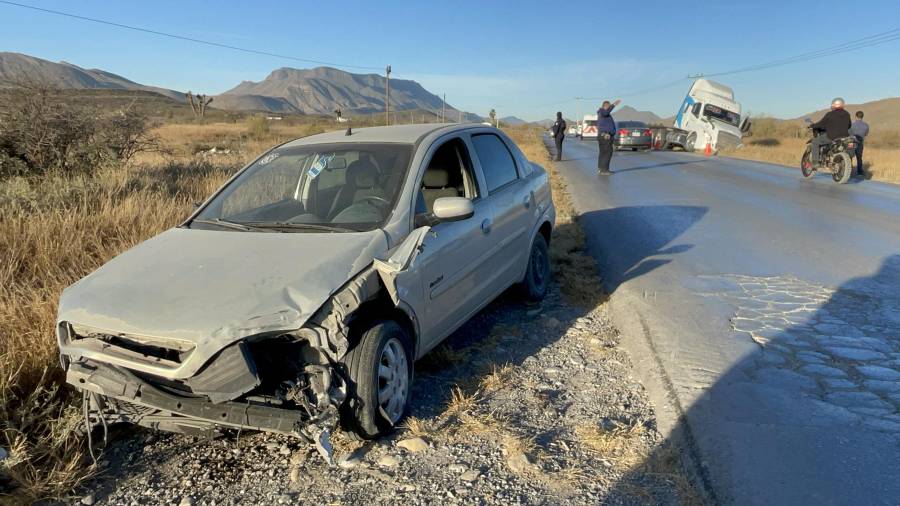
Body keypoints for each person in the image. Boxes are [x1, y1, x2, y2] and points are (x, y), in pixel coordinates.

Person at [808, 97, 851, 166]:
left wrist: (812, 126)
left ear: (834, 105)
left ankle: (815, 162)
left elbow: (820, 123)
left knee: (815, 142)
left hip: (832, 137)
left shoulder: (830, 114)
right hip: (844, 137)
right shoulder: (847, 114)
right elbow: (849, 125)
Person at [597, 99, 621, 175]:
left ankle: (601, 169)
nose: (609, 107)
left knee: (603, 153)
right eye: (608, 106)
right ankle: (604, 170)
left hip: (604, 136)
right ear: (605, 106)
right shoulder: (603, 112)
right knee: (608, 152)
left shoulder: (603, 113)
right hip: (605, 136)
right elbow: (606, 112)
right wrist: (614, 105)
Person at [849, 110, 869, 176]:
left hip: (852, 142)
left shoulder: (852, 125)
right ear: (862, 116)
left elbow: (849, 133)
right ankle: (859, 171)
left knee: (850, 157)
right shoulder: (866, 125)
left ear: (856, 116)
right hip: (860, 143)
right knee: (859, 157)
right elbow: (866, 134)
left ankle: (849, 170)